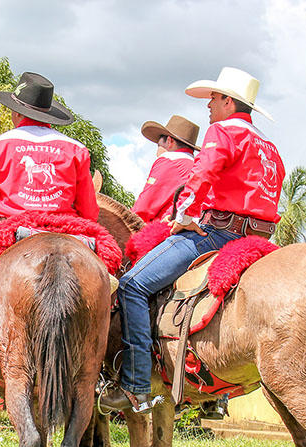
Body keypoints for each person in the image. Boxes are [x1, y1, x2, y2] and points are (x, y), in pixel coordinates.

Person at [114, 67, 285, 412]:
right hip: (260, 239)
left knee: (131, 285)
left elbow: (202, 175)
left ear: (227, 101)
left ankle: (135, 383)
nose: (208, 105)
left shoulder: (222, 131)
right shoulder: (269, 145)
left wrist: (183, 218)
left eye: (212, 98)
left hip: (217, 234)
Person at [0, 71, 99, 397]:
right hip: (67, 233)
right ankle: (109, 371)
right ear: (47, 114)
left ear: (17, 111)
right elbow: (89, 212)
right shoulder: (76, 149)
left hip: (13, 232)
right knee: (111, 291)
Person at [131, 115, 200, 222]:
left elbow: (144, 207)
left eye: (159, 145)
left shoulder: (170, 159)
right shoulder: (196, 165)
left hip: (167, 227)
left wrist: (127, 220)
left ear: (169, 141)